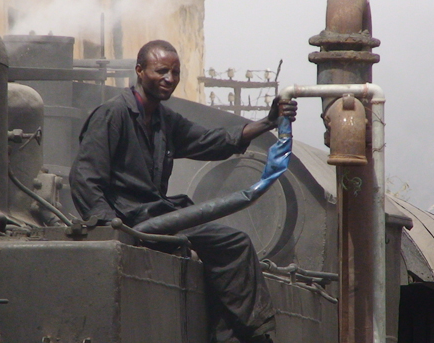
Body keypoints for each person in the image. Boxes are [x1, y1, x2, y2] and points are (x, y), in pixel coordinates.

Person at [70, 40, 297, 343]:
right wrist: (111, 229)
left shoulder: (166, 120)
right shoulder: (112, 115)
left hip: (160, 217)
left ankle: (243, 336)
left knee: (234, 242)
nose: (170, 79)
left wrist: (269, 121)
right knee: (232, 244)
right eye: (161, 71)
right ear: (139, 71)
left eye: (175, 72)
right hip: (129, 221)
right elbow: (84, 177)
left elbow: (213, 141)